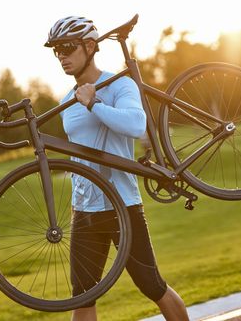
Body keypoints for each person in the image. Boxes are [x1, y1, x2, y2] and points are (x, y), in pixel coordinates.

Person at [45, 16, 190, 321]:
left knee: (152, 285)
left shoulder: (119, 85)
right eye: (56, 50)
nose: (62, 56)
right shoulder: (65, 101)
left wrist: (93, 104)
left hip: (122, 205)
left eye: (68, 47)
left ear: (89, 46)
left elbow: (136, 125)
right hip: (83, 210)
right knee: (83, 297)